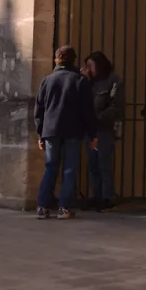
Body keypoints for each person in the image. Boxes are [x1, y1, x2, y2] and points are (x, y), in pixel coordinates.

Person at [34, 45, 96, 219]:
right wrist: (92, 134)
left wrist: (40, 133)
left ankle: (43, 206)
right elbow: (87, 111)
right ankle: (64, 207)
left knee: (51, 167)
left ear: (56, 59)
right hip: (73, 131)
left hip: (51, 130)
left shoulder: (47, 80)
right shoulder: (80, 81)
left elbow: (39, 109)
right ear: (74, 60)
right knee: (69, 169)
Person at [82, 51, 122, 212]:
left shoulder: (114, 81)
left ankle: (108, 197)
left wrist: (98, 117)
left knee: (103, 163)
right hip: (90, 130)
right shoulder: (88, 82)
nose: (88, 69)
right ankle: (96, 195)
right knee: (92, 164)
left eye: (91, 66)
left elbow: (116, 106)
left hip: (103, 129)